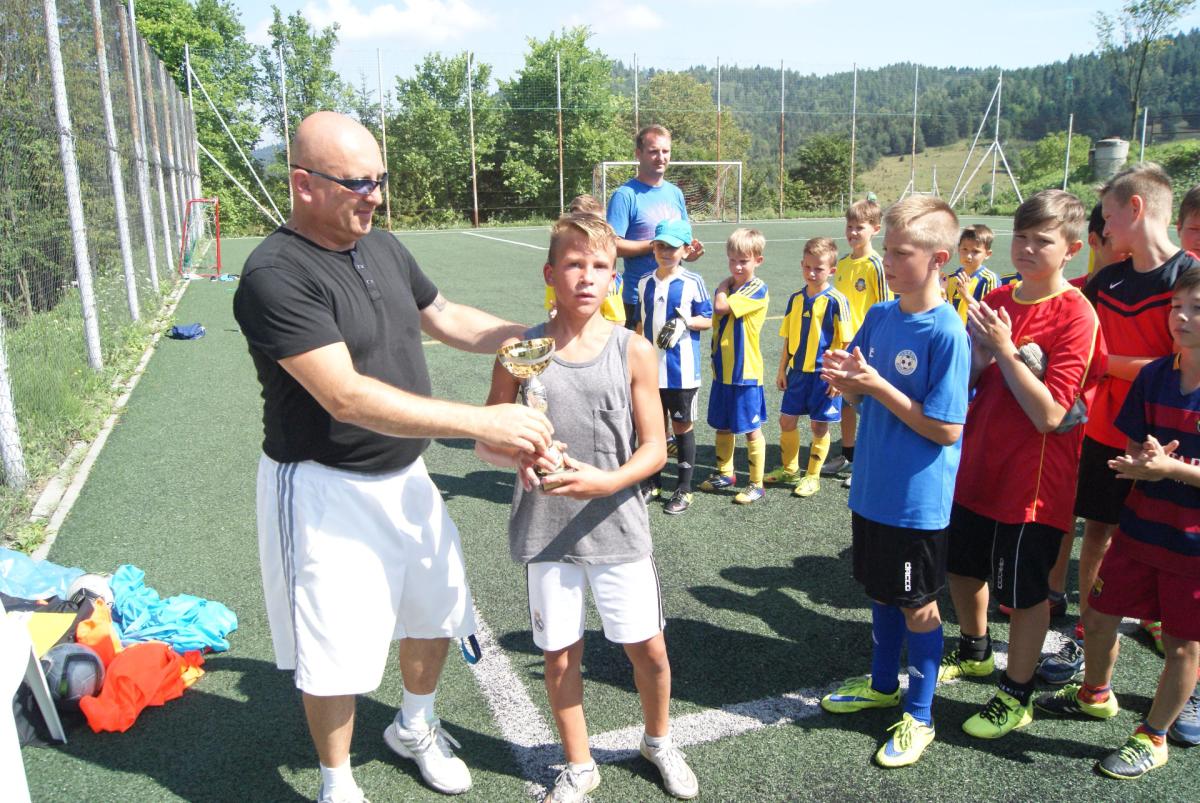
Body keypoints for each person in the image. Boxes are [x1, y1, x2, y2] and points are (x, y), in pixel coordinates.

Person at [232, 111, 554, 803]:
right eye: (358, 183)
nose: (375, 196)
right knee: (335, 649)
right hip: (323, 489)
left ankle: (414, 725)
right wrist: (481, 421)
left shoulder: (380, 243)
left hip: (406, 477)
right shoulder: (273, 275)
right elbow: (344, 396)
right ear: (304, 185)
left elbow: (446, 317)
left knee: (436, 610)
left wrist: (538, 333)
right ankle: (337, 782)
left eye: (379, 179)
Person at [475, 213, 698, 802]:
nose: (586, 276)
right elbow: (486, 439)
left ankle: (658, 741)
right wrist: (516, 456)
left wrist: (607, 482)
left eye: (600, 266)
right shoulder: (521, 352)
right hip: (546, 532)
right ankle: (579, 765)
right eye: (574, 264)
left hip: (617, 526)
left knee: (649, 650)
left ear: (614, 278)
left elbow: (655, 447)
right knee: (558, 658)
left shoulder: (634, 350)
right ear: (550, 273)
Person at [939, 191, 1105, 740]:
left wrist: (1006, 350)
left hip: (1031, 483)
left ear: (1072, 250)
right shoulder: (998, 299)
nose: (1028, 248)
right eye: (1022, 236)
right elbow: (965, 383)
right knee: (962, 567)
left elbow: (1051, 415)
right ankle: (975, 650)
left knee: (1025, 594)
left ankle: (1017, 692)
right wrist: (981, 357)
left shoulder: (1077, 314)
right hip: (977, 465)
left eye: (1044, 241)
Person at [818, 196, 970, 768]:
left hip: (915, 502)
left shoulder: (946, 332)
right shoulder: (881, 315)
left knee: (918, 607)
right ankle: (883, 686)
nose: (888, 261)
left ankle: (922, 716)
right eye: (888, 250)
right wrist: (846, 382)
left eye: (901, 253)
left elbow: (946, 429)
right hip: (873, 489)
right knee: (881, 591)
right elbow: (864, 394)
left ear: (938, 259)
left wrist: (876, 386)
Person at [1035, 267, 1200, 779]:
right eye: (1176, 307)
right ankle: (1095, 694)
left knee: (1183, 644)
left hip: (1191, 547)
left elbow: (1168, 466)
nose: (1181, 318)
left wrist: (1171, 469)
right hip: (1140, 528)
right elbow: (1134, 444)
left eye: (1196, 309)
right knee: (1101, 616)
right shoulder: (1155, 376)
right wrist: (1141, 459)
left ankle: (1153, 736)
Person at [1039, 164, 1200, 686]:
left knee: (1170, 548)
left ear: (1136, 208)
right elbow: (1076, 334)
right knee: (1097, 532)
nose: (1104, 229)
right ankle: (1087, 634)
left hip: (1173, 442)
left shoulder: (1188, 277)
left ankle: (1176, 656)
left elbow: (1180, 360)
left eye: (1109, 217)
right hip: (1104, 431)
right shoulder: (1109, 278)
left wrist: (1107, 364)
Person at [763, 237, 852, 498]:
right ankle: (790, 469)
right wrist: (782, 369)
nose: (812, 273)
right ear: (802, 264)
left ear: (831, 270)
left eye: (818, 269)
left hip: (824, 375)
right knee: (786, 420)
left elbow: (847, 342)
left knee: (818, 426)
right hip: (797, 373)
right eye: (807, 267)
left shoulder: (837, 300)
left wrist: (838, 378)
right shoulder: (795, 299)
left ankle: (812, 476)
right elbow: (788, 338)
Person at [636, 218, 713, 514]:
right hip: (649, 371)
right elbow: (640, 323)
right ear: (654, 248)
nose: (666, 252)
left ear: (686, 249)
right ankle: (653, 483)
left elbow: (707, 319)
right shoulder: (644, 282)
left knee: (681, 426)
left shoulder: (693, 282)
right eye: (660, 246)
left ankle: (684, 488)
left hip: (682, 371)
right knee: (653, 427)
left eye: (672, 247)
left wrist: (686, 322)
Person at [606, 125, 704, 328]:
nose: (661, 157)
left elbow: (683, 239)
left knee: (673, 349)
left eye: (665, 151)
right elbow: (610, 246)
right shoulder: (625, 195)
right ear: (638, 154)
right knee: (639, 350)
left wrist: (688, 252)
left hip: (674, 295)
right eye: (653, 151)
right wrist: (657, 245)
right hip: (639, 298)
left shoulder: (676, 193)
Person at [698, 228, 770, 505]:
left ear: (758, 261)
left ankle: (756, 484)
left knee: (751, 429)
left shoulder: (756, 287)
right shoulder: (731, 287)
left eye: (744, 261)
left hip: (745, 373)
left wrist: (720, 287)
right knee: (722, 425)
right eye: (732, 260)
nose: (737, 267)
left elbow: (720, 307)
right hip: (723, 372)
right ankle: (725, 473)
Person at [824, 197, 890, 488]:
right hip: (844, 344)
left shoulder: (877, 265)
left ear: (875, 229)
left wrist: (879, 344)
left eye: (859, 227)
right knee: (846, 402)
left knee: (869, 405)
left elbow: (886, 306)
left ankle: (867, 461)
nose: (852, 232)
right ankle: (848, 454)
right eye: (849, 226)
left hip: (869, 346)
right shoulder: (841, 263)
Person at [545, 195, 625, 324]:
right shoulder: (559, 272)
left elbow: (618, 322)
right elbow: (553, 309)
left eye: (595, 224)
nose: (587, 277)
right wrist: (555, 316)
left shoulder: (606, 279)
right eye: (574, 264)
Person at [945, 224, 998, 325]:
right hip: (954, 332)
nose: (968, 256)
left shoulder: (989, 279)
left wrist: (966, 295)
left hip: (976, 333)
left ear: (987, 254)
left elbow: (989, 316)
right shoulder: (951, 278)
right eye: (965, 249)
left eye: (975, 251)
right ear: (958, 249)